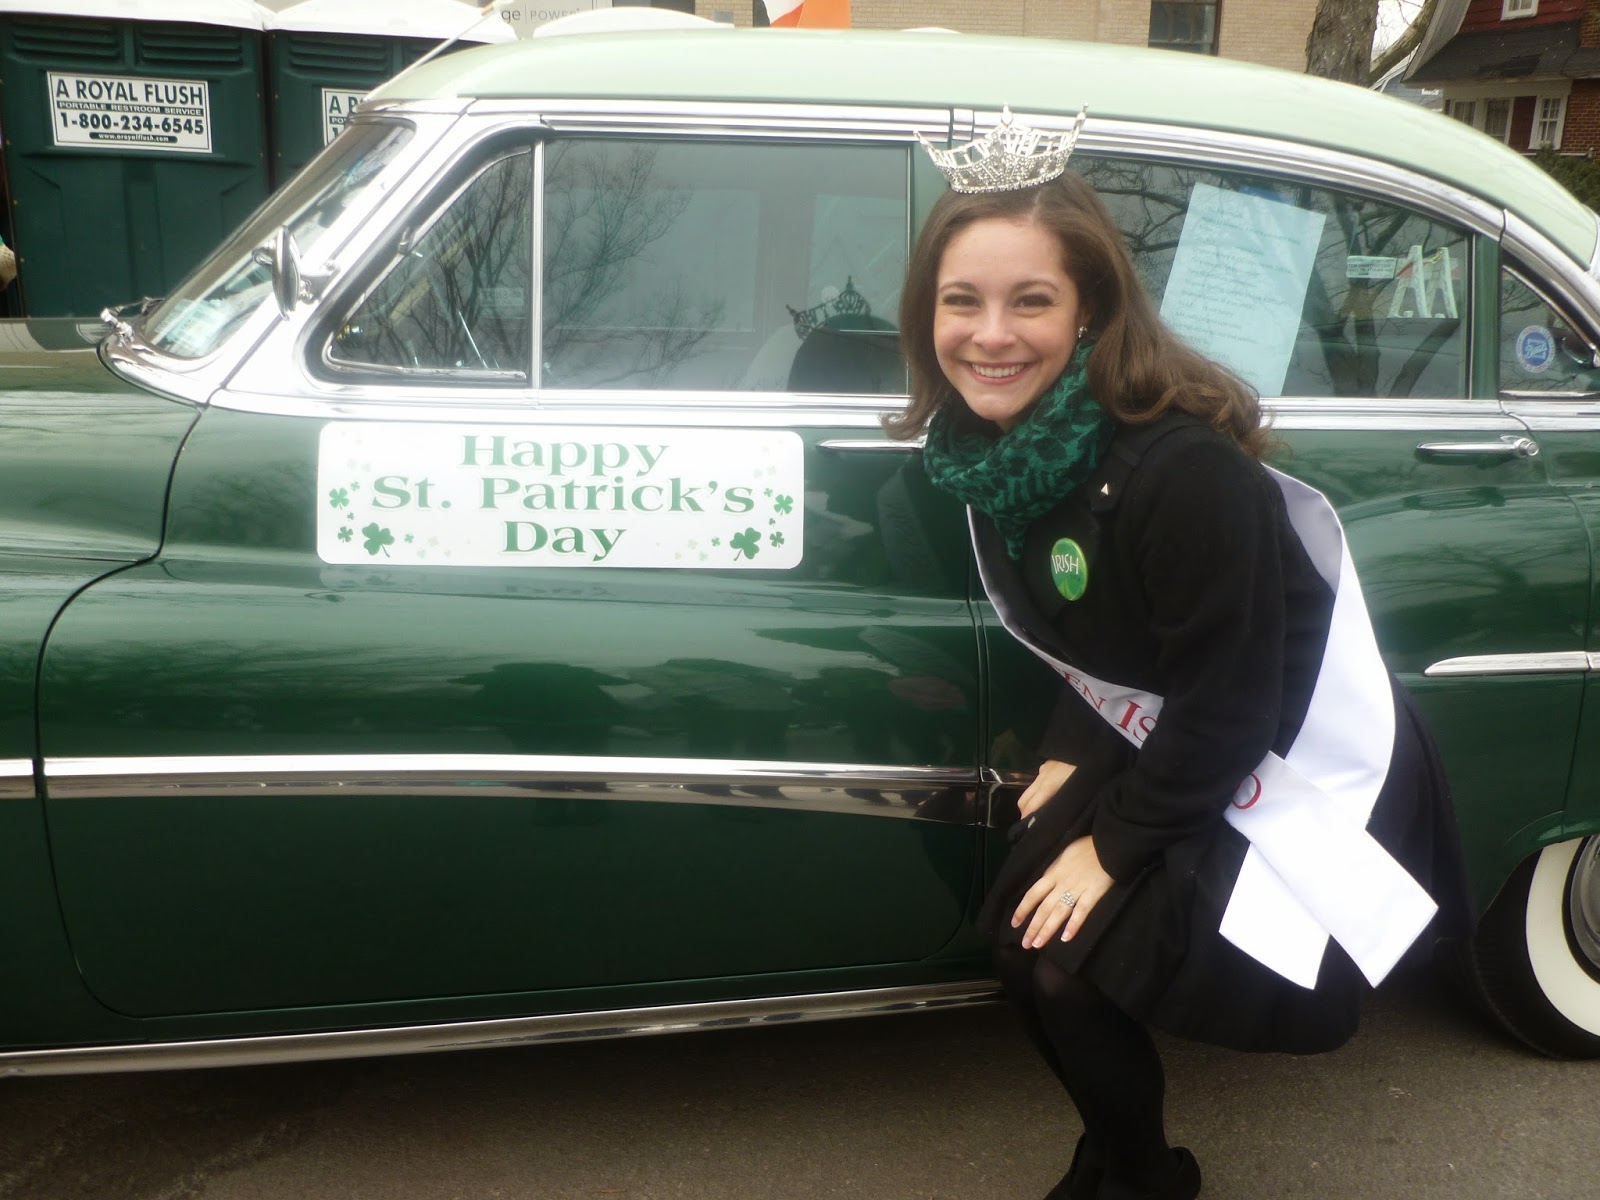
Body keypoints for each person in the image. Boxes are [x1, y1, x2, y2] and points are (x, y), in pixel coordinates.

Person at [887, 113, 1462, 1200]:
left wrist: (1112, 847)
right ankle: (1116, 1155)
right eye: (961, 301)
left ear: (1092, 309)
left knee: (1069, 971)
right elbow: (1106, 632)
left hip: (1279, 749)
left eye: (1031, 300)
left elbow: (1231, 698)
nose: (990, 334)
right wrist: (1073, 739)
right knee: (1015, 944)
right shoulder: (1001, 457)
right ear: (928, 315)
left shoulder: (1180, 470)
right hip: (1167, 727)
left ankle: (1147, 1179)